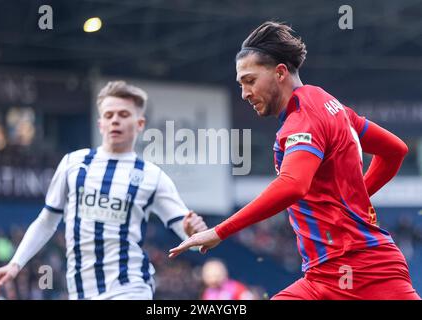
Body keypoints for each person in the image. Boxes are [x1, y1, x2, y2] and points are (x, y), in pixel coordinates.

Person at [169, 21, 421, 300]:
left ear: (280, 73)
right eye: (240, 85)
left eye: (250, 81)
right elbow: (395, 150)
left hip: (364, 271)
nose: (244, 93)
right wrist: (354, 200)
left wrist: (220, 231)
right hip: (324, 276)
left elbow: (293, 184)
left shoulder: (302, 121)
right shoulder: (330, 104)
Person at [0, 80, 208, 300]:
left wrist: (193, 233)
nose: (115, 121)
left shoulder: (152, 176)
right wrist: (15, 264)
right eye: (109, 115)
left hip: (130, 288)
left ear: (140, 123)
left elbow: (189, 233)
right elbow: (46, 222)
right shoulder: (73, 163)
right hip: (80, 292)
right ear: (100, 123)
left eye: (123, 114)